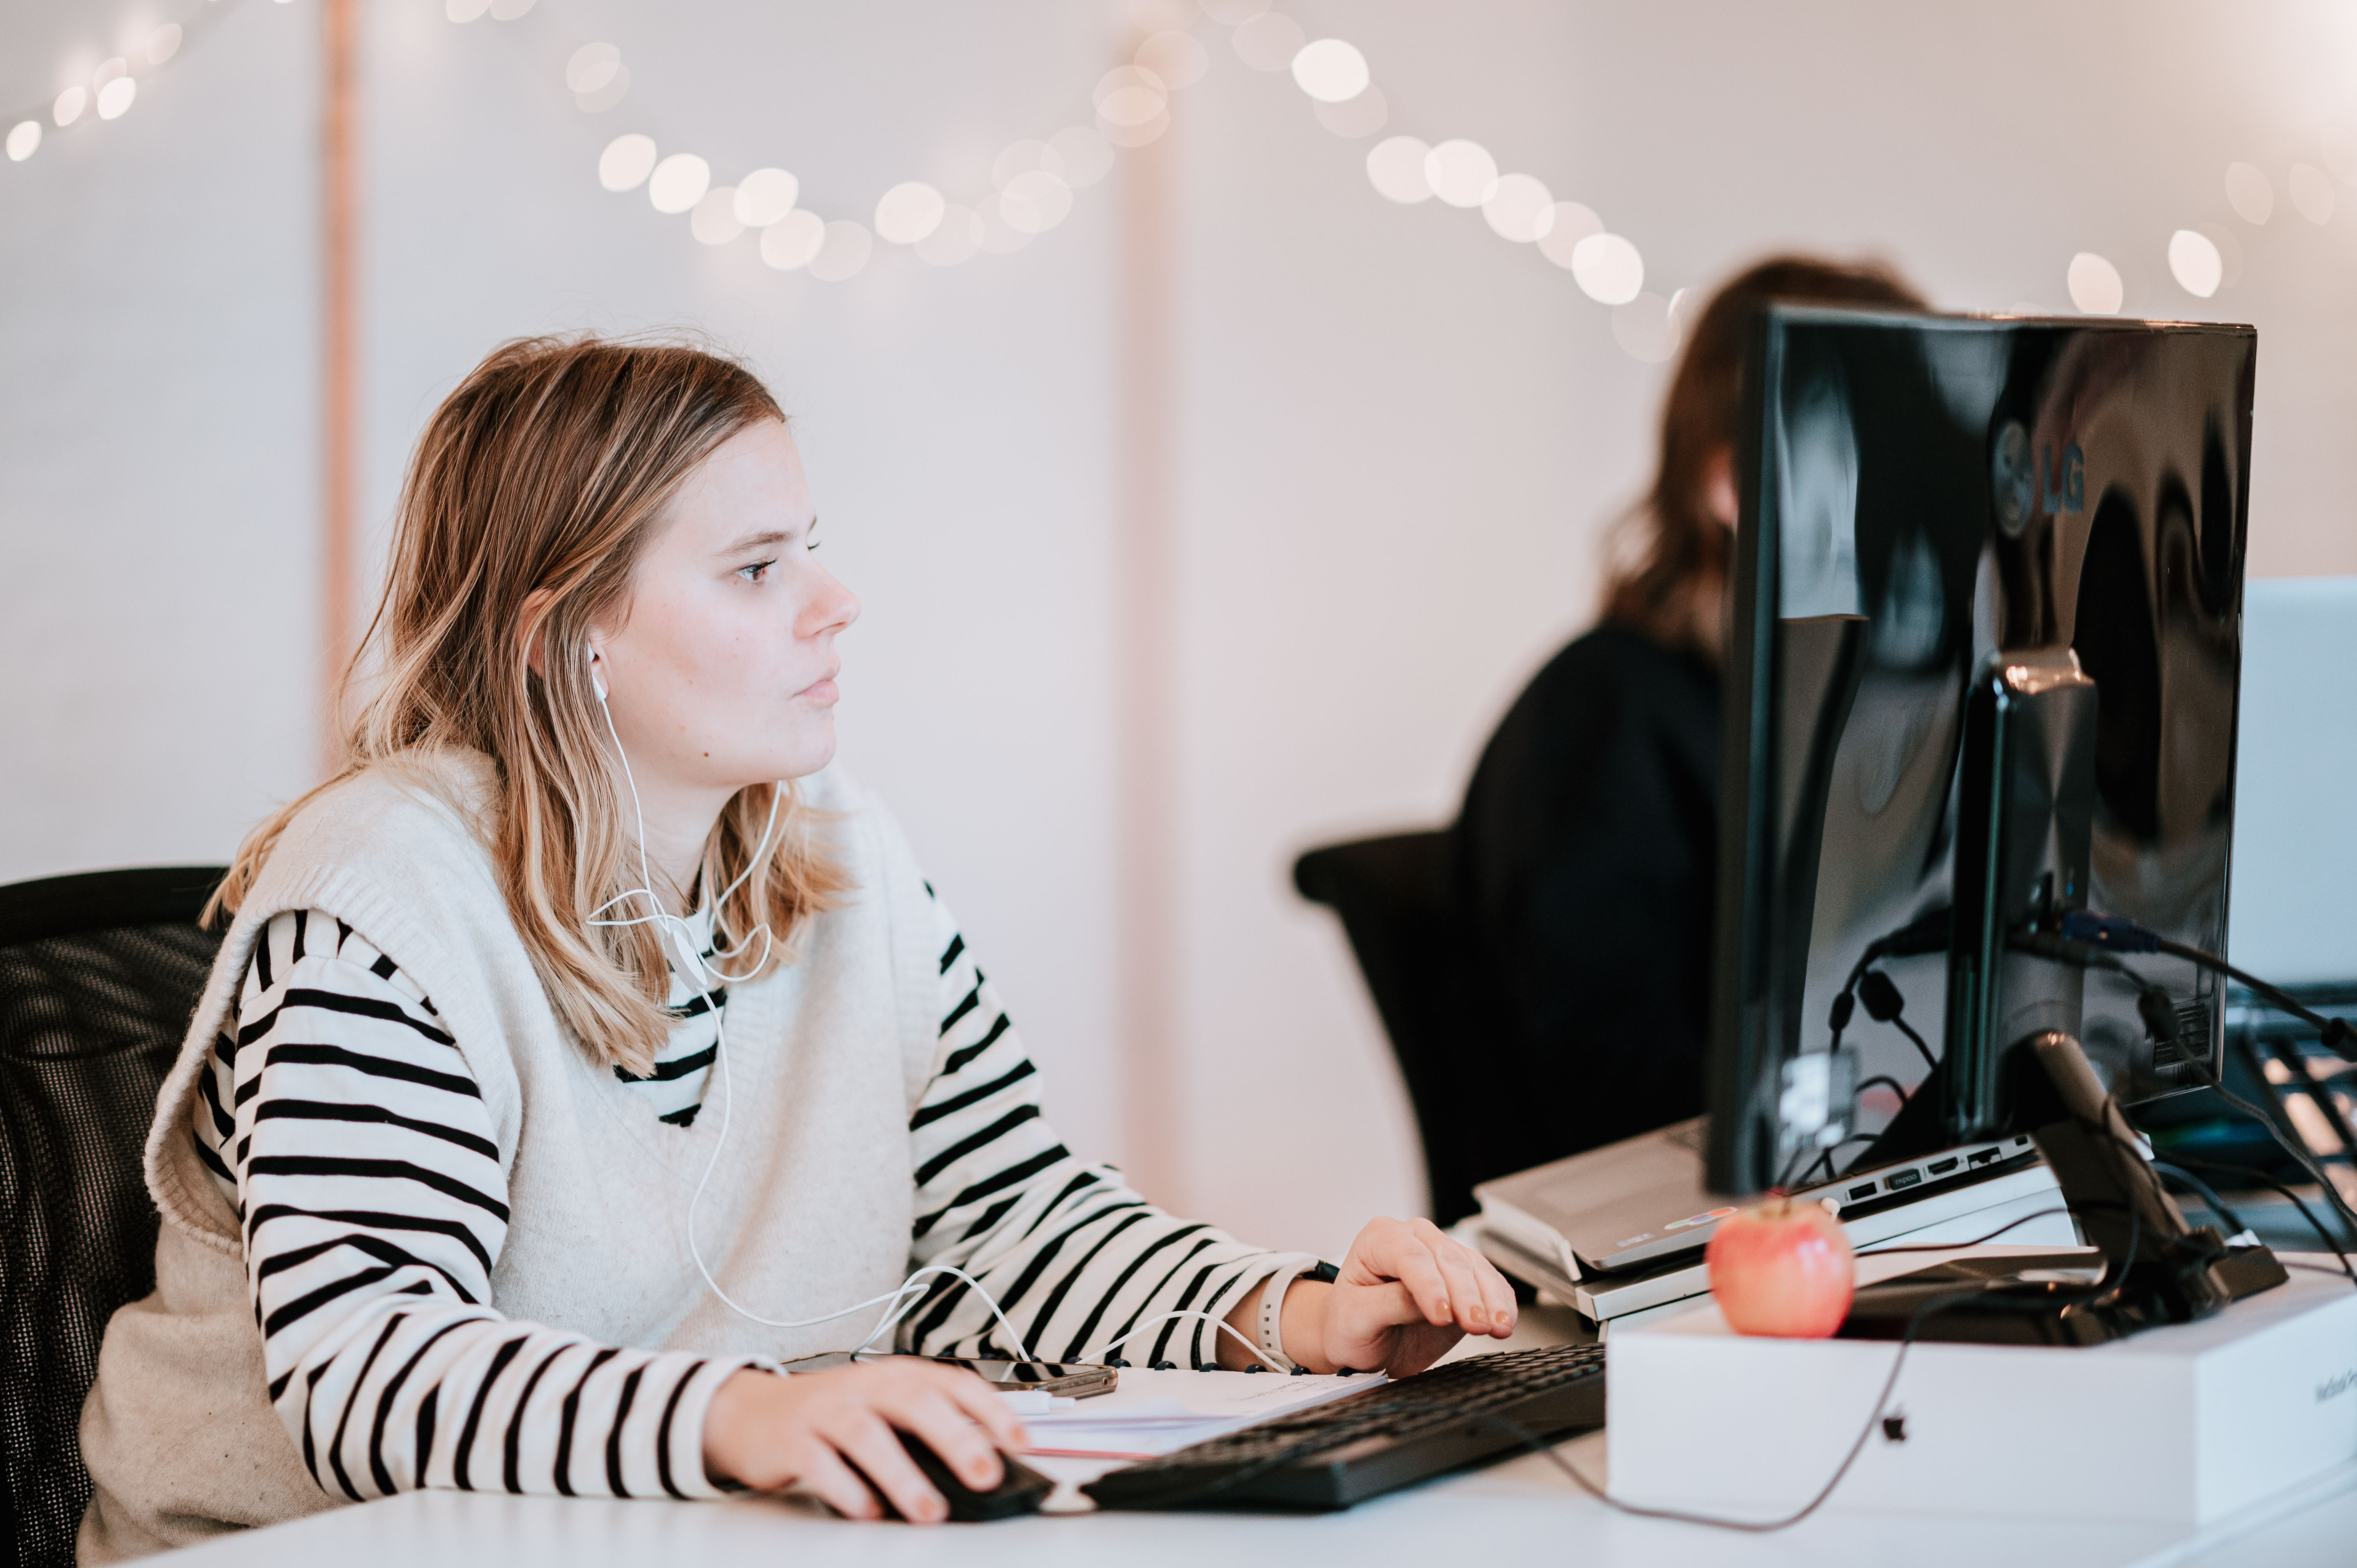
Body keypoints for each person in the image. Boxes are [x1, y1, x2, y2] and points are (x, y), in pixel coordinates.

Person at [78, 335, 1518, 1558]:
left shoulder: (835, 853)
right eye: (757, 569)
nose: (833, 603)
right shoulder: (385, 899)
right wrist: (748, 1413)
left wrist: (1292, 1311)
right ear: (564, 633)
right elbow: (368, 1374)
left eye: (807, 553)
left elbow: (1006, 1225)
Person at [1444, 257, 1927, 1210]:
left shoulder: (1864, 722)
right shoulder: (1599, 717)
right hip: (1658, 1263)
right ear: (1732, 484)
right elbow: (1617, 1098)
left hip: (1828, 1215)